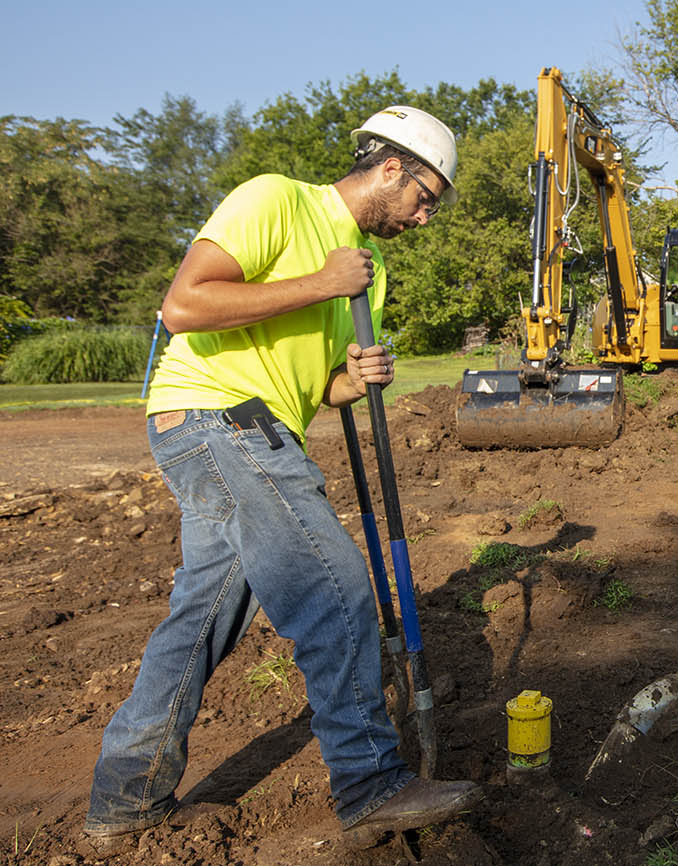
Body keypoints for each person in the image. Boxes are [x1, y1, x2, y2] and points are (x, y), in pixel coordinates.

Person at [80, 106, 481, 856]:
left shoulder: (372, 269)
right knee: (334, 590)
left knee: (199, 622)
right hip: (215, 417)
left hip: (257, 428)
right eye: (425, 196)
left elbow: (310, 380)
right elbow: (184, 306)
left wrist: (349, 381)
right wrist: (320, 280)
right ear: (389, 168)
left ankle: (125, 798)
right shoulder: (276, 198)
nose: (425, 217)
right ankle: (371, 785)